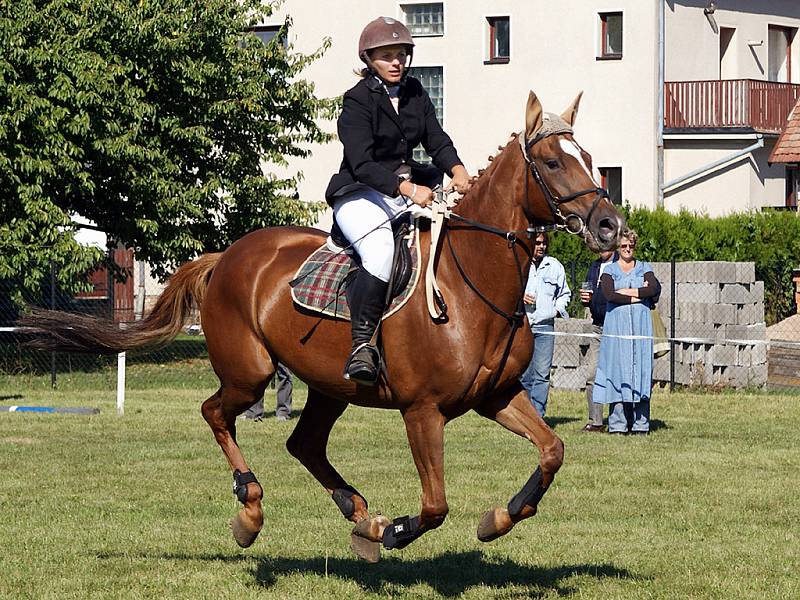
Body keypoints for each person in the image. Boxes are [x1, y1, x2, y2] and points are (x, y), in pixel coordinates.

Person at [325, 16, 473, 385]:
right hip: (360, 195)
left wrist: (457, 169)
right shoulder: (357, 101)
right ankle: (362, 345)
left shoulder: (415, 93)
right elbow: (361, 163)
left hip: (407, 194)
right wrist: (407, 189)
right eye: (387, 56)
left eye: (401, 55)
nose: (396, 62)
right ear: (369, 59)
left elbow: (435, 140)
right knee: (380, 251)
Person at [592, 229, 661, 435]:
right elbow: (610, 295)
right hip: (616, 330)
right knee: (617, 371)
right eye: (623, 246)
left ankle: (641, 424)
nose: (627, 249)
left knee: (640, 371)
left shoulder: (644, 268)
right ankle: (618, 424)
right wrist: (639, 295)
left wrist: (628, 292)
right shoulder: (610, 271)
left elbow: (653, 290)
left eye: (631, 245)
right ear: (618, 248)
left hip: (641, 330)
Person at [519, 232, 571, 418]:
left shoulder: (554, 266)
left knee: (542, 374)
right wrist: (520, 297)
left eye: (543, 243)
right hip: (523, 325)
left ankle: (538, 417)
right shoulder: (520, 262)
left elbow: (565, 293)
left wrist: (556, 310)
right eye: (537, 243)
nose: (541, 247)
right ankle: (526, 416)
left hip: (545, 327)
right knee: (525, 375)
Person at [579, 248, 617, 432]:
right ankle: (595, 421)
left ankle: (619, 421)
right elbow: (589, 295)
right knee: (592, 375)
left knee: (617, 376)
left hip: (617, 328)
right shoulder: (595, 266)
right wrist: (585, 300)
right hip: (597, 327)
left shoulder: (621, 265)